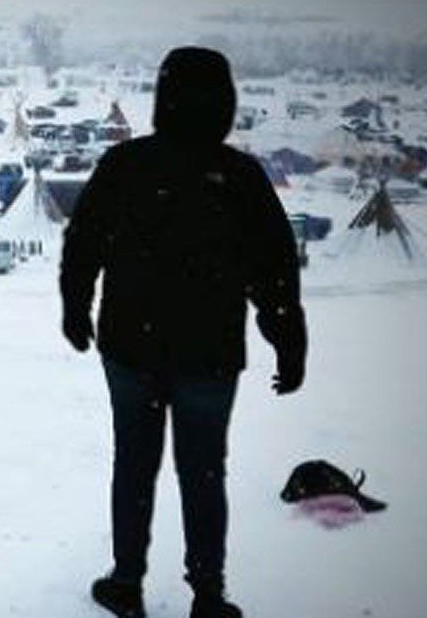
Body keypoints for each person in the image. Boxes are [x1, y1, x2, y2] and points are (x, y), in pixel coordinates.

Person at [61, 47, 307, 618]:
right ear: (226, 105)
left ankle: (126, 582)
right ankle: (208, 595)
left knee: (134, 466)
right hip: (210, 355)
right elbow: (274, 270)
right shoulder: (239, 177)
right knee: (203, 473)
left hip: (129, 348)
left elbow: (83, 243)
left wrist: (76, 308)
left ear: (161, 100)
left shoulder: (125, 164)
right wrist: (288, 342)